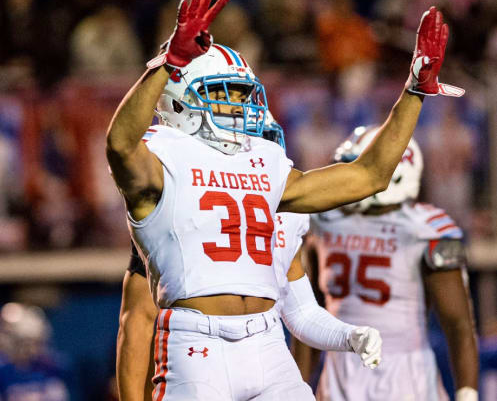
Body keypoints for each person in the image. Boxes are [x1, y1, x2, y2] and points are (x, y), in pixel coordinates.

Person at [105, 0, 463, 400]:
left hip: (268, 341)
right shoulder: (162, 155)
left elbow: (367, 177)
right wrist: (167, 63)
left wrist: (414, 92)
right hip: (195, 343)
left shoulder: (263, 158)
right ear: (177, 100)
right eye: (221, 95)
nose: (238, 108)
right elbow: (118, 144)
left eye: (241, 95)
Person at [116, 116, 383, 400]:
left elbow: (300, 311)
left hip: (266, 347)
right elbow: (138, 319)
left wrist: (348, 336)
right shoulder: (181, 212)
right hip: (198, 351)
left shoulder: (291, 214)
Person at [297, 126, 479, 401]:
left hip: (406, 374)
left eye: (358, 167)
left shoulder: (424, 228)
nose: (346, 178)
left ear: (394, 175)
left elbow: (457, 323)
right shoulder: (325, 222)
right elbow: (308, 314)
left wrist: (468, 393)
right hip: (341, 371)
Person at [0, 302, 71, 401]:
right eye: (27, 344)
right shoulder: (4, 372)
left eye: (35, 343)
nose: (31, 349)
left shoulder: (49, 370)